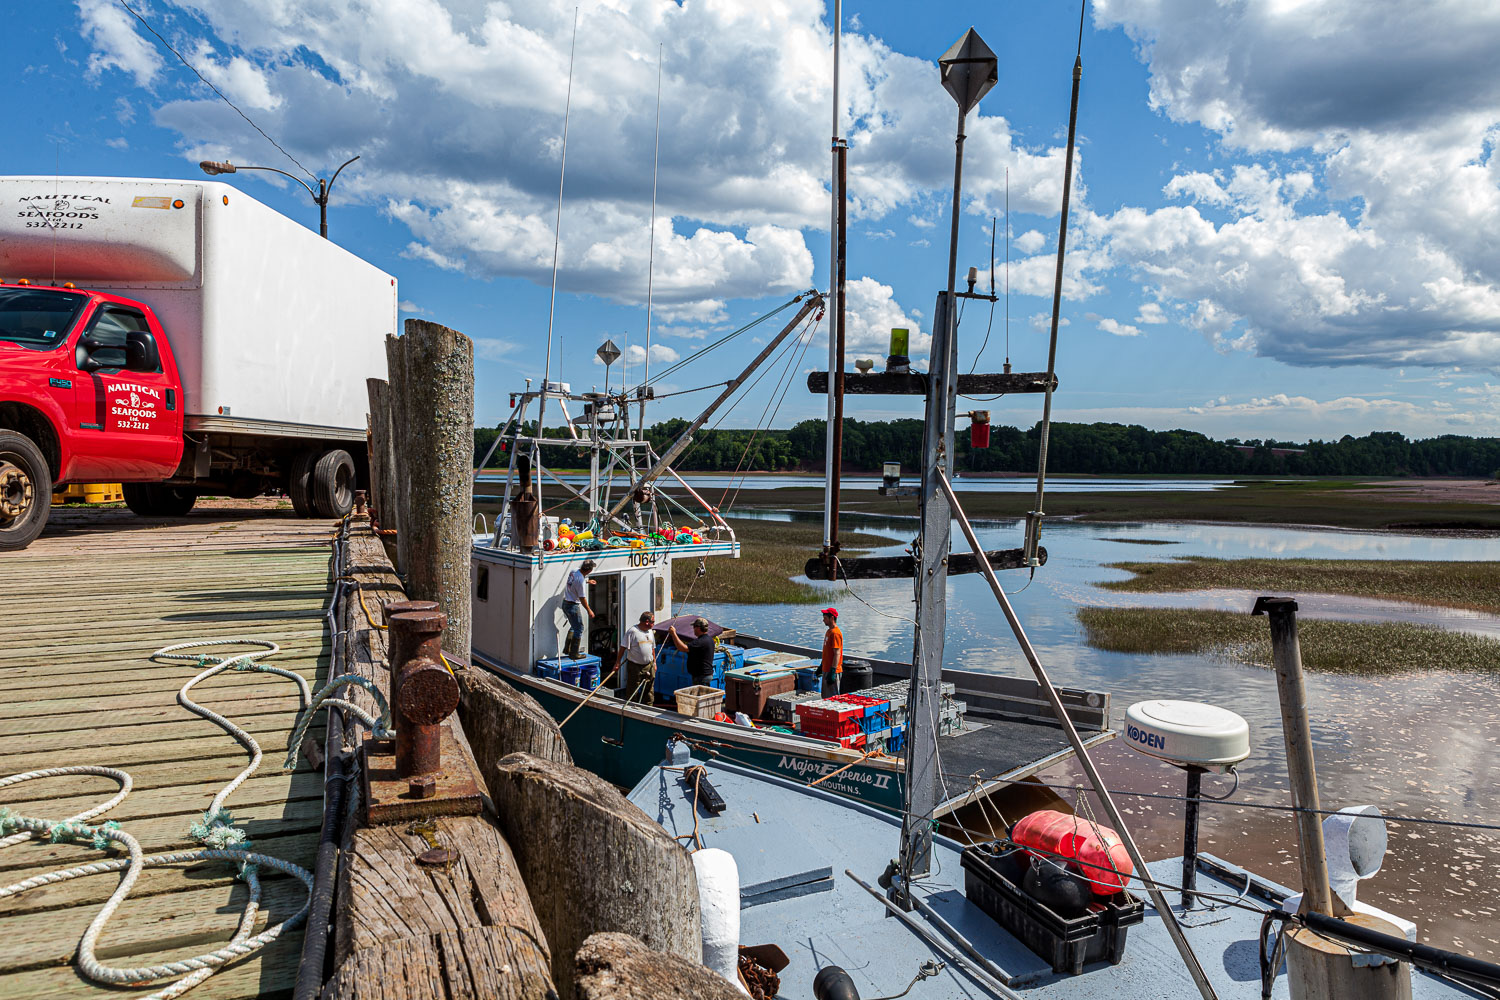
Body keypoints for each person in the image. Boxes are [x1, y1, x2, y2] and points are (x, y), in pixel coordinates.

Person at [616, 611, 657, 703]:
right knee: (633, 688)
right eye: (653, 622)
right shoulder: (632, 631)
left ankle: (648, 706)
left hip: (649, 665)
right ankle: (631, 706)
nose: (654, 624)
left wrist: (654, 663)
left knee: (649, 689)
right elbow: (623, 648)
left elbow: (652, 648)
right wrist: (617, 663)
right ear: (647, 622)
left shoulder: (650, 632)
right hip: (635, 666)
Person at [667, 616, 717, 688]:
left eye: (694, 627)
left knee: (700, 697)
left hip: (701, 677)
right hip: (706, 674)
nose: (693, 629)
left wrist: (673, 634)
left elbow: (683, 648)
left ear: (698, 628)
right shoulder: (709, 639)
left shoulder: (700, 641)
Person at [560, 559, 596, 659]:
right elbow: (582, 598)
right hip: (572, 606)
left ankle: (567, 648)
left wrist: (587, 581)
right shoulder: (580, 582)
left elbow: (575, 580)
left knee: (574, 626)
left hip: (565, 603)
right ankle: (574, 653)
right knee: (579, 628)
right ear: (589, 571)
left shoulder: (574, 570)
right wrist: (589, 610)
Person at [820, 607, 843, 695]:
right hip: (826, 670)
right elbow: (827, 652)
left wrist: (832, 671)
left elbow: (837, 653)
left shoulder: (835, 633)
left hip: (832, 671)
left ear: (832, 618)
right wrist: (821, 666)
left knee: (832, 698)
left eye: (825, 618)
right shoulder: (829, 631)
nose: (823, 620)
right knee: (825, 697)